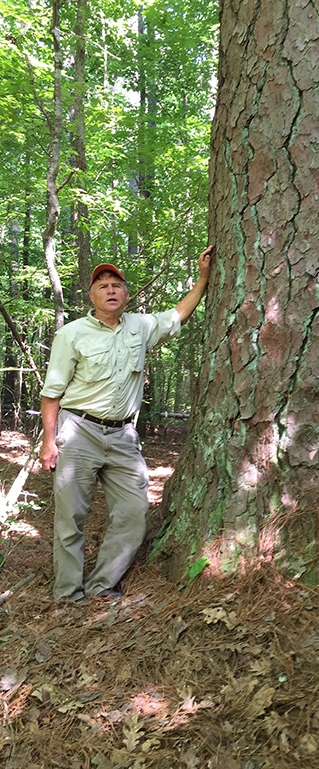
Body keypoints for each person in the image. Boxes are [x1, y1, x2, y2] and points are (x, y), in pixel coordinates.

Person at [39, 247, 214, 603]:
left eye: (116, 283)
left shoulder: (140, 326)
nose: (110, 289)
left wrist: (203, 278)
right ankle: (68, 594)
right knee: (70, 519)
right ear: (91, 296)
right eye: (102, 285)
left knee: (134, 514)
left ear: (126, 294)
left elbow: (178, 314)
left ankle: (102, 585)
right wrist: (49, 441)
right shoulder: (72, 335)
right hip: (79, 432)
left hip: (123, 436)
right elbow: (52, 393)